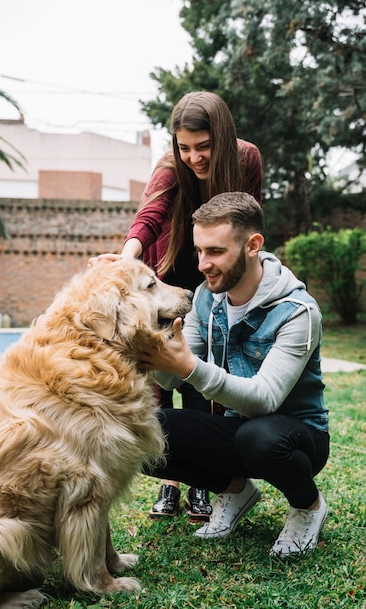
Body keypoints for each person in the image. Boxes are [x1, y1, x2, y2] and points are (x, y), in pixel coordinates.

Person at [139, 192, 329, 557]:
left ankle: (308, 506)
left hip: (298, 437)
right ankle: (235, 488)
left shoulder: (298, 312)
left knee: (260, 437)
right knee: (142, 431)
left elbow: (264, 400)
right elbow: (171, 376)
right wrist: (153, 356)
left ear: (253, 245)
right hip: (238, 429)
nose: (202, 264)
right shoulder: (206, 299)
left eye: (215, 252)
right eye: (199, 251)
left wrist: (188, 367)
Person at [119, 92, 263, 522]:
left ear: (221, 136)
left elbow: (250, 218)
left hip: (215, 269)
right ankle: (169, 481)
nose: (194, 157)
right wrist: (126, 261)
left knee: (198, 368)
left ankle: (203, 482)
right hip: (168, 269)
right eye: (185, 147)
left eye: (203, 146)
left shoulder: (247, 158)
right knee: (161, 370)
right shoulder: (170, 165)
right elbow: (150, 215)